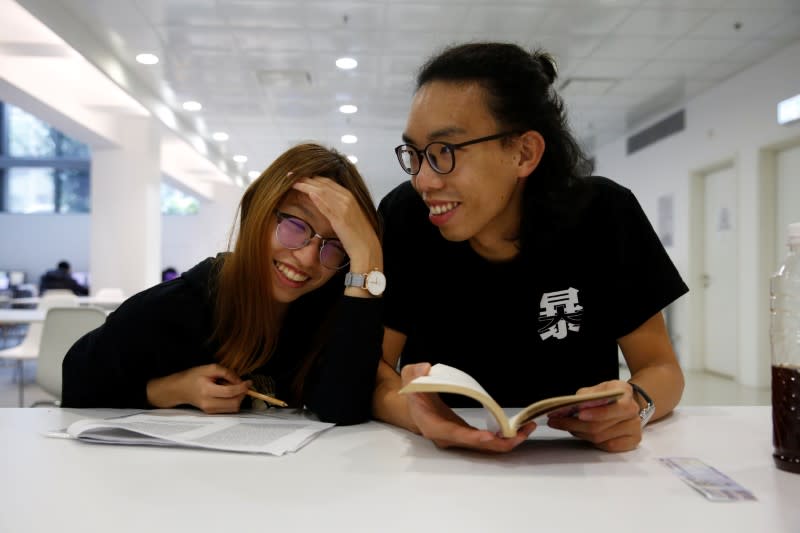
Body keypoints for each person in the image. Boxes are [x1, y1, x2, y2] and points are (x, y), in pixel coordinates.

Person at [372, 42, 689, 452]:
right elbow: (373, 368)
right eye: (416, 155)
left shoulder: (603, 214)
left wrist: (637, 406)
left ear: (524, 153)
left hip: (577, 469)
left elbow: (662, 368)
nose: (424, 181)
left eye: (445, 152)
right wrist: (414, 415)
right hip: (444, 473)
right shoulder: (406, 218)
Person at [62, 143, 384, 425]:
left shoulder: (330, 313)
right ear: (257, 212)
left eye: (336, 244)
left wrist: (368, 254)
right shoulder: (183, 303)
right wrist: (170, 390)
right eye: (295, 226)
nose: (308, 259)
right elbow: (78, 381)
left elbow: (343, 409)